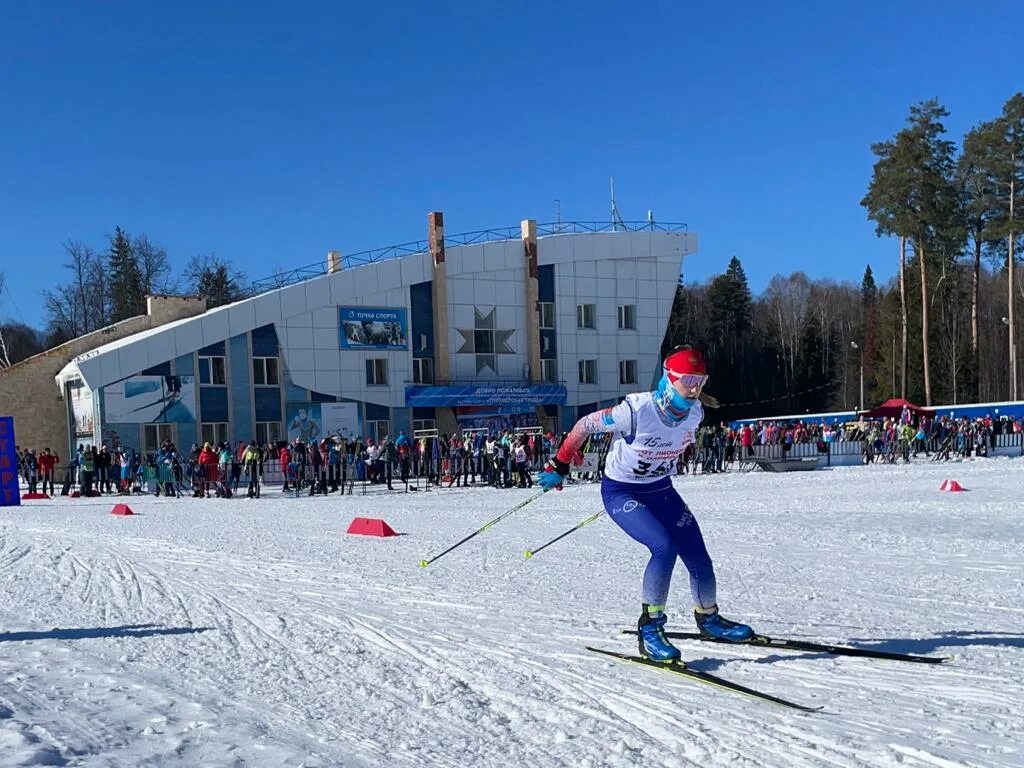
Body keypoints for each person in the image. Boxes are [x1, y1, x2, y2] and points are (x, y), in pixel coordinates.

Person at [537, 346, 753, 662]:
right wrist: (560, 463)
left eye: (700, 380)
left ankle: (709, 618)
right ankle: (650, 629)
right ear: (669, 379)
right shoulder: (635, 411)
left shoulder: (695, 412)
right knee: (664, 547)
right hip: (622, 492)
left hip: (660, 490)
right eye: (688, 380)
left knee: (696, 551)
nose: (694, 387)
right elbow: (584, 425)